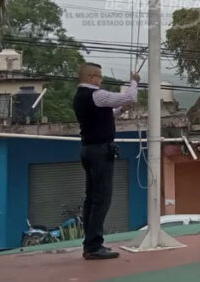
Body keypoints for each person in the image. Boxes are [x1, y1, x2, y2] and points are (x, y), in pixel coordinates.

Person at [73, 63, 138, 260]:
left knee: (92, 198)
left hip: (87, 149)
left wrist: (120, 111)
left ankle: (90, 243)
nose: (101, 80)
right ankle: (94, 246)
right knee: (102, 198)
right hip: (100, 150)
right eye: (99, 77)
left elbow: (105, 115)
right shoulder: (97, 95)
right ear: (92, 78)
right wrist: (134, 82)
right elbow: (130, 96)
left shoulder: (79, 97)